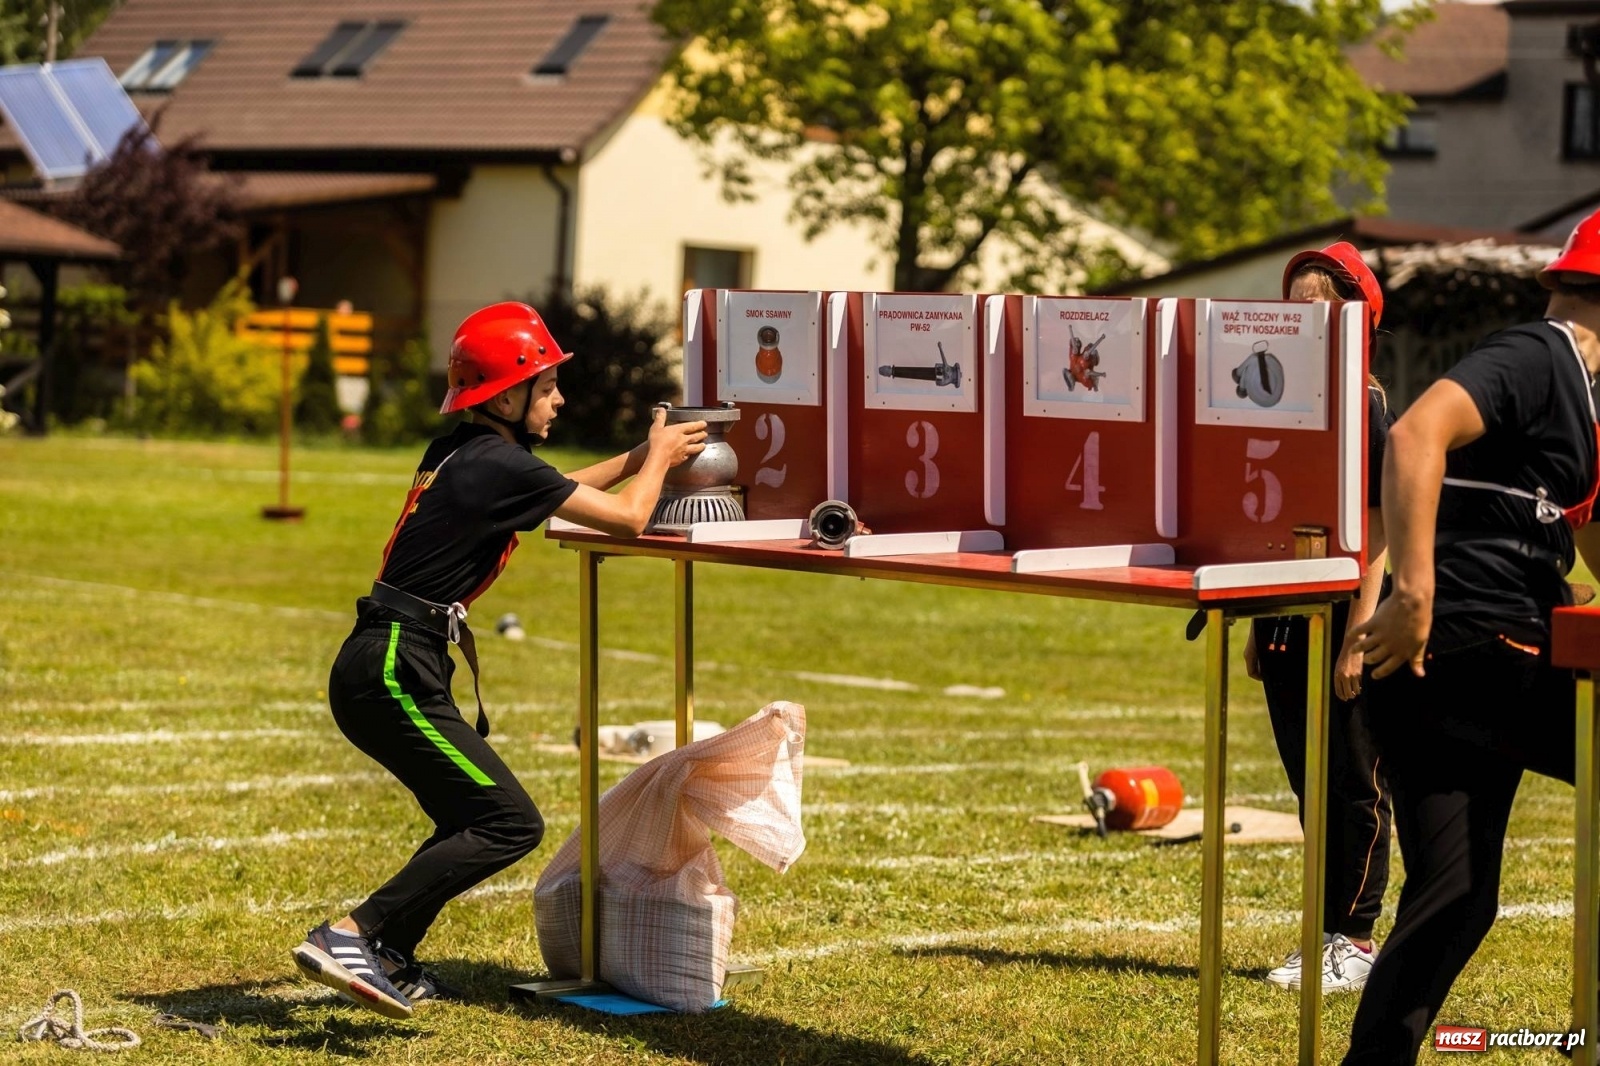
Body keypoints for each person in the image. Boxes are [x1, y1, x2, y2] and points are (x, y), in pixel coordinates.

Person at [290, 301, 707, 1018]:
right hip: (393, 665)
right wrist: (659, 461)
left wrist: (645, 456)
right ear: (506, 398)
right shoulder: (496, 465)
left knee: (468, 817)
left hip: (387, 658)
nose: (559, 398)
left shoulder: (467, 451)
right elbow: (629, 519)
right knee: (509, 822)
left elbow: (555, 488)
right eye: (547, 386)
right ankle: (352, 934)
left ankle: (390, 953)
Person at [1341, 210, 1600, 1063]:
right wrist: (1414, 591)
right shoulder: (1540, 353)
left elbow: (1585, 530)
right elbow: (1415, 434)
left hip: (1445, 667)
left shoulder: (1583, 400)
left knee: (1454, 898)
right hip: (1477, 647)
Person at [1243, 242, 1394, 994]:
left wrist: (1358, 637)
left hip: (1344, 613)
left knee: (1354, 780)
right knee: (1309, 781)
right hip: (1284, 612)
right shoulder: (1276, 402)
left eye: (1317, 308)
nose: (1301, 321)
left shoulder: (1365, 405)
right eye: (1293, 308)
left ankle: (1356, 938)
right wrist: (1255, 621)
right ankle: (1328, 931)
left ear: (1355, 319)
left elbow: (1380, 527)